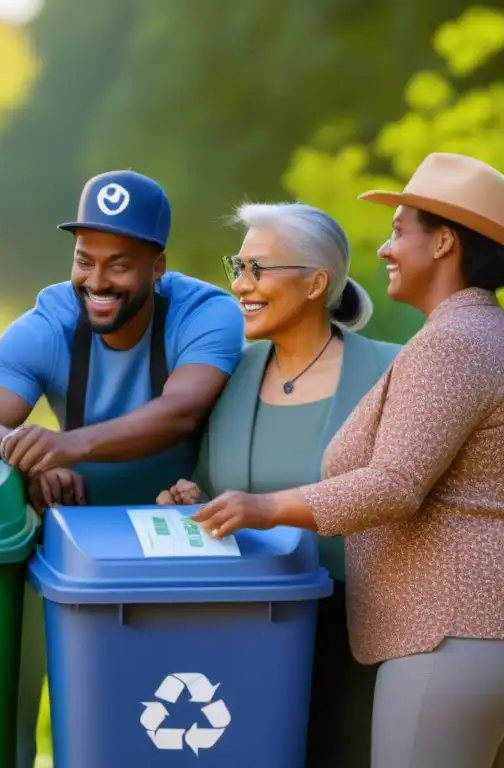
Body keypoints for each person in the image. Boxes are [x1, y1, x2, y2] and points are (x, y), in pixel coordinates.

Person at [192, 152, 504, 768]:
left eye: (398, 231)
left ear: (443, 243)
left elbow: (393, 486)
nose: (384, 251)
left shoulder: (454, 343)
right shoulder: (478, 335)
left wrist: (266, 507)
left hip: (448, 633)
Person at [0, 169, 245, 767]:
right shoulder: (50, 320)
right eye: (85, 260)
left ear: (157, 267)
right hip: (79, 554)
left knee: (166, 726)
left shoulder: (206, 313)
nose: (97, 281)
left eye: (120, 264)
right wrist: (25, 459)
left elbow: (179, 413)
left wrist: (67, 446)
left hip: (183, 550)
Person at [156, 201, 399, 767]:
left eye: (258, 269)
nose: (242, 285)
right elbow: (211, 486)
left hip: (359, 636)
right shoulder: (232, 372)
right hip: (247, 626)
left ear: (317, 283)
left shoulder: (392, 373)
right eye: (237, 267)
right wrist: (186, 499)